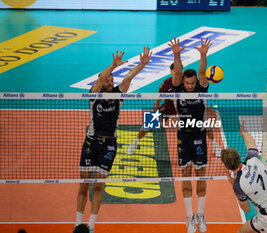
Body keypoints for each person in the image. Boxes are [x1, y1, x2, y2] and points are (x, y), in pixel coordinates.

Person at [74, 48, 152, 233]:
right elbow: (100, 78)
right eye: (107, 80)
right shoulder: (94, 96)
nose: (110, 82)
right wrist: (113, 66)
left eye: (112, 80)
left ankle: (91, 227)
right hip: (91, 144)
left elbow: (128, 78)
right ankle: (77, 224)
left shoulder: (118, 95)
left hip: (109, 146)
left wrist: (142, 64)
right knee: (84, 185)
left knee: (99, 186)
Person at [126, 63, 221, 157]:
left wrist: (204, 108)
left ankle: (215, 145)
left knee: (206, 125)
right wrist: (156, 112)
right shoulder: (166, 84)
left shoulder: (188, 82)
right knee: (147, 124)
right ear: (170, 71)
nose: (176, 72)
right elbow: (157, 101)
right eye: (174, 70)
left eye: (178, 70)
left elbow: (199, 95)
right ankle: (135, 142)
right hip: (169, 108)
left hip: (188, 110)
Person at [168, 37, 212, 233]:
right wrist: (176, 54)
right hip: (183, 137)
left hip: (199, 135)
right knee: (185, 176)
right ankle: (189, 216)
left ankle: (201, 215)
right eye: (187, 83)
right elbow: (177, 72)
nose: (190, 86)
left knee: (200, 177)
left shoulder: (201, 89)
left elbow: (202, 72)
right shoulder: (178, 89)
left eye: (192, 83)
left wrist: (203, 55)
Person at [221, 121, 267, 233]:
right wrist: (243, 132)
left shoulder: (238, 185)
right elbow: (251, 142)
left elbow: (246, 209)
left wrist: (235, 188)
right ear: (239, 156)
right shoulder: (253, 159)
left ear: (226, 166)